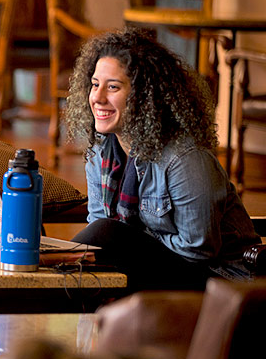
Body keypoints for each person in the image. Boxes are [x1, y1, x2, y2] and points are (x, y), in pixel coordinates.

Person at [66, 28, 259, 289]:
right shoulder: (101, 151)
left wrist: (129, 241)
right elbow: (99, 230)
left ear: (145, 96)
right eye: (95, 85)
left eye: (113, 87)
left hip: (219, 281)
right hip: (155, 269)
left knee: (106, 234)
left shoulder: (184, 158)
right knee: (99, 243)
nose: (98, 98)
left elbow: (197, 251)